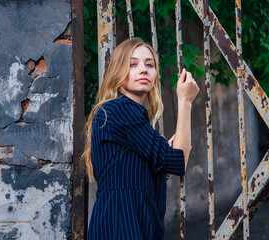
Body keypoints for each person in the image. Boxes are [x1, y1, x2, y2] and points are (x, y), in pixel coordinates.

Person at [83, 37, 199, 240]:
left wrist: (166, 154)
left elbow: (173, 159)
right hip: (120, 224)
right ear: (117, 71)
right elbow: (177, 161)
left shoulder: (132, 118)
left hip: (130, 223)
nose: (143, 69)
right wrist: (185, 101)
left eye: (150, 64)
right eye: (132, 64)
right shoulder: (118, 110)